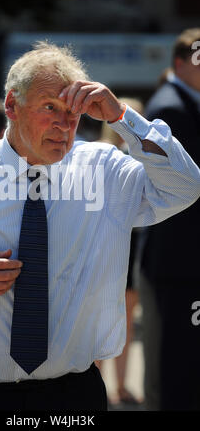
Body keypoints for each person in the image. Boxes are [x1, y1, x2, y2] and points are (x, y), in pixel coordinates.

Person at [0, 41, 199, 411]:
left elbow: (185, 186)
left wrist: (121, 116)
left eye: (74, 111)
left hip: (73, 395)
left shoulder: (104, 169)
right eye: (49, 108)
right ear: (12, 105)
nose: (64, 124)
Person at [140, 28, 200, 410]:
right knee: (177, 370)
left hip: (183, 261)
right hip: (180, 262)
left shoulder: (183, 102)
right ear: (180, 63)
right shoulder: (171, 107)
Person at [95, 97, 144, 406]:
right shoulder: (96, 156)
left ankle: (121, 386)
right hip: (103, 244)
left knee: (123, 319)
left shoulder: (139, 156)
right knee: (99, 319)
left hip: (130, 243)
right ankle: (98, 386)